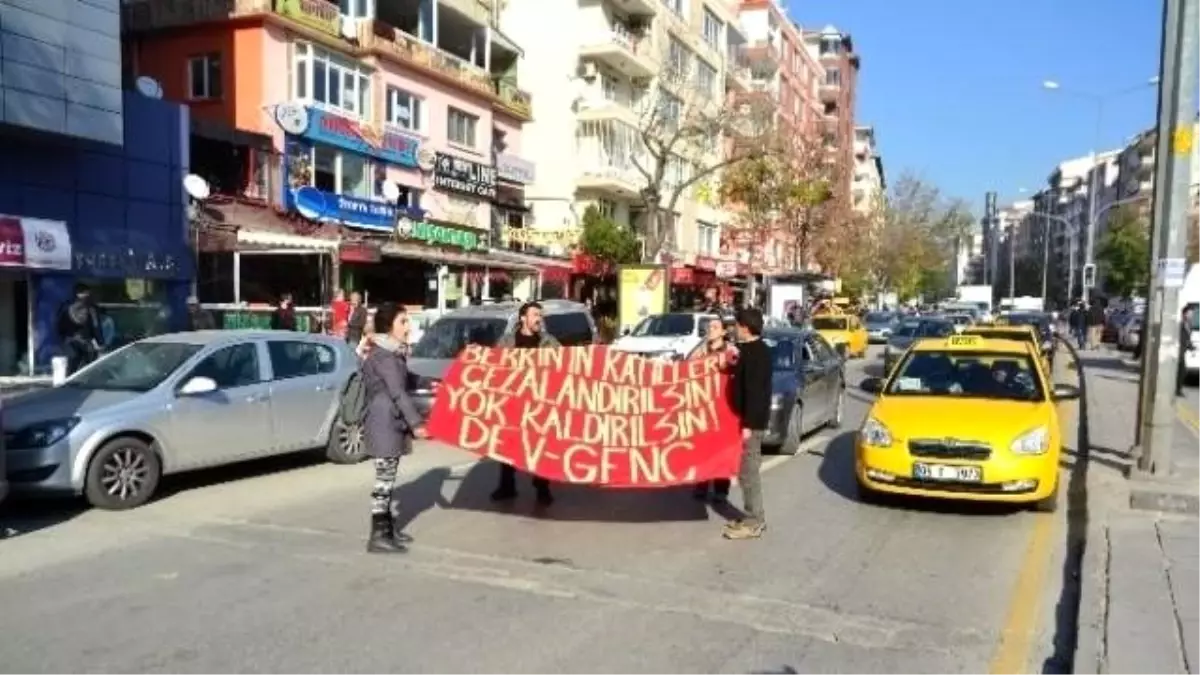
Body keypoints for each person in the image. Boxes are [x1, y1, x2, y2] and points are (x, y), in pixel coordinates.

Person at [361, 302, 427, 554]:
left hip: (389, 422)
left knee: (387, 478)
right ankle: (377, 536)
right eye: (403, 321)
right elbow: (398, 392)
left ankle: (387, 529)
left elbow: (410, 381)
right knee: (384, 482)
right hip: (383, 423)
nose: (408, 327)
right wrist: (417, 424)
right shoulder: (384, 356)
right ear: (389, 326)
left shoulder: (392, 353)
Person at [491, 301, 560, 507]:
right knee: (507, 446)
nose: (539, 318)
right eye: (535, 314)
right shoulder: (507, 341)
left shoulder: (548, 342)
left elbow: (565, 366)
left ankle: (542, 487)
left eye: (541, 315)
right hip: (513, 401)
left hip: (539, 402)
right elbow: (493, 367)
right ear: (523, 318)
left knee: (539, 446)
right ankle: (507, 486)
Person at [724, 308, 772, 540]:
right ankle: (751, 515)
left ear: (745, 326)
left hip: (752, 423)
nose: (734, 329)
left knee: (748, 472)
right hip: (747, 420)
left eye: (737, 325)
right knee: (745, 471)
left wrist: (748, 425)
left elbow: (756, 394)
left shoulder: (757, 354)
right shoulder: (750, 351)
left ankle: (755, 520)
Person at [693, 317, 737, 503]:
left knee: (722, 450)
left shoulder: (732, 351)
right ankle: (701, 485)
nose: (710, 330)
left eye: (714, 327)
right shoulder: (699, 351)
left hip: (724, 409)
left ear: (723, 332)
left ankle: (721, 489)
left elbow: (737, 371)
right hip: (704, 409)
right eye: (708, 327)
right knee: (703, 449)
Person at [57, 283, 101, 374]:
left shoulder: (65, 306)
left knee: (72, 366)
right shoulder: (91, 307)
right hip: (85, 340)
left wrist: (64, 337)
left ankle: (70, 383)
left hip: (69, 340)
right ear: (86, 293)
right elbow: (95, 325)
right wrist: (100, 341)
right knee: (91, 366)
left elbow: (60, 324)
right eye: (88, 292)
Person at [1179, 307, 1194, 397]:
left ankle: (1178, 389)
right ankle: (1177, 390)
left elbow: (1187, 339)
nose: (1191, 315)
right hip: (1178, 351)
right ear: (1184, 314)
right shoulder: (1180, 324)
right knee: (1182, 371)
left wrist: (1191, 347)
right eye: (1190, 313)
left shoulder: (1188, 325)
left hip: (1182, 350)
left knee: (1182, 371)